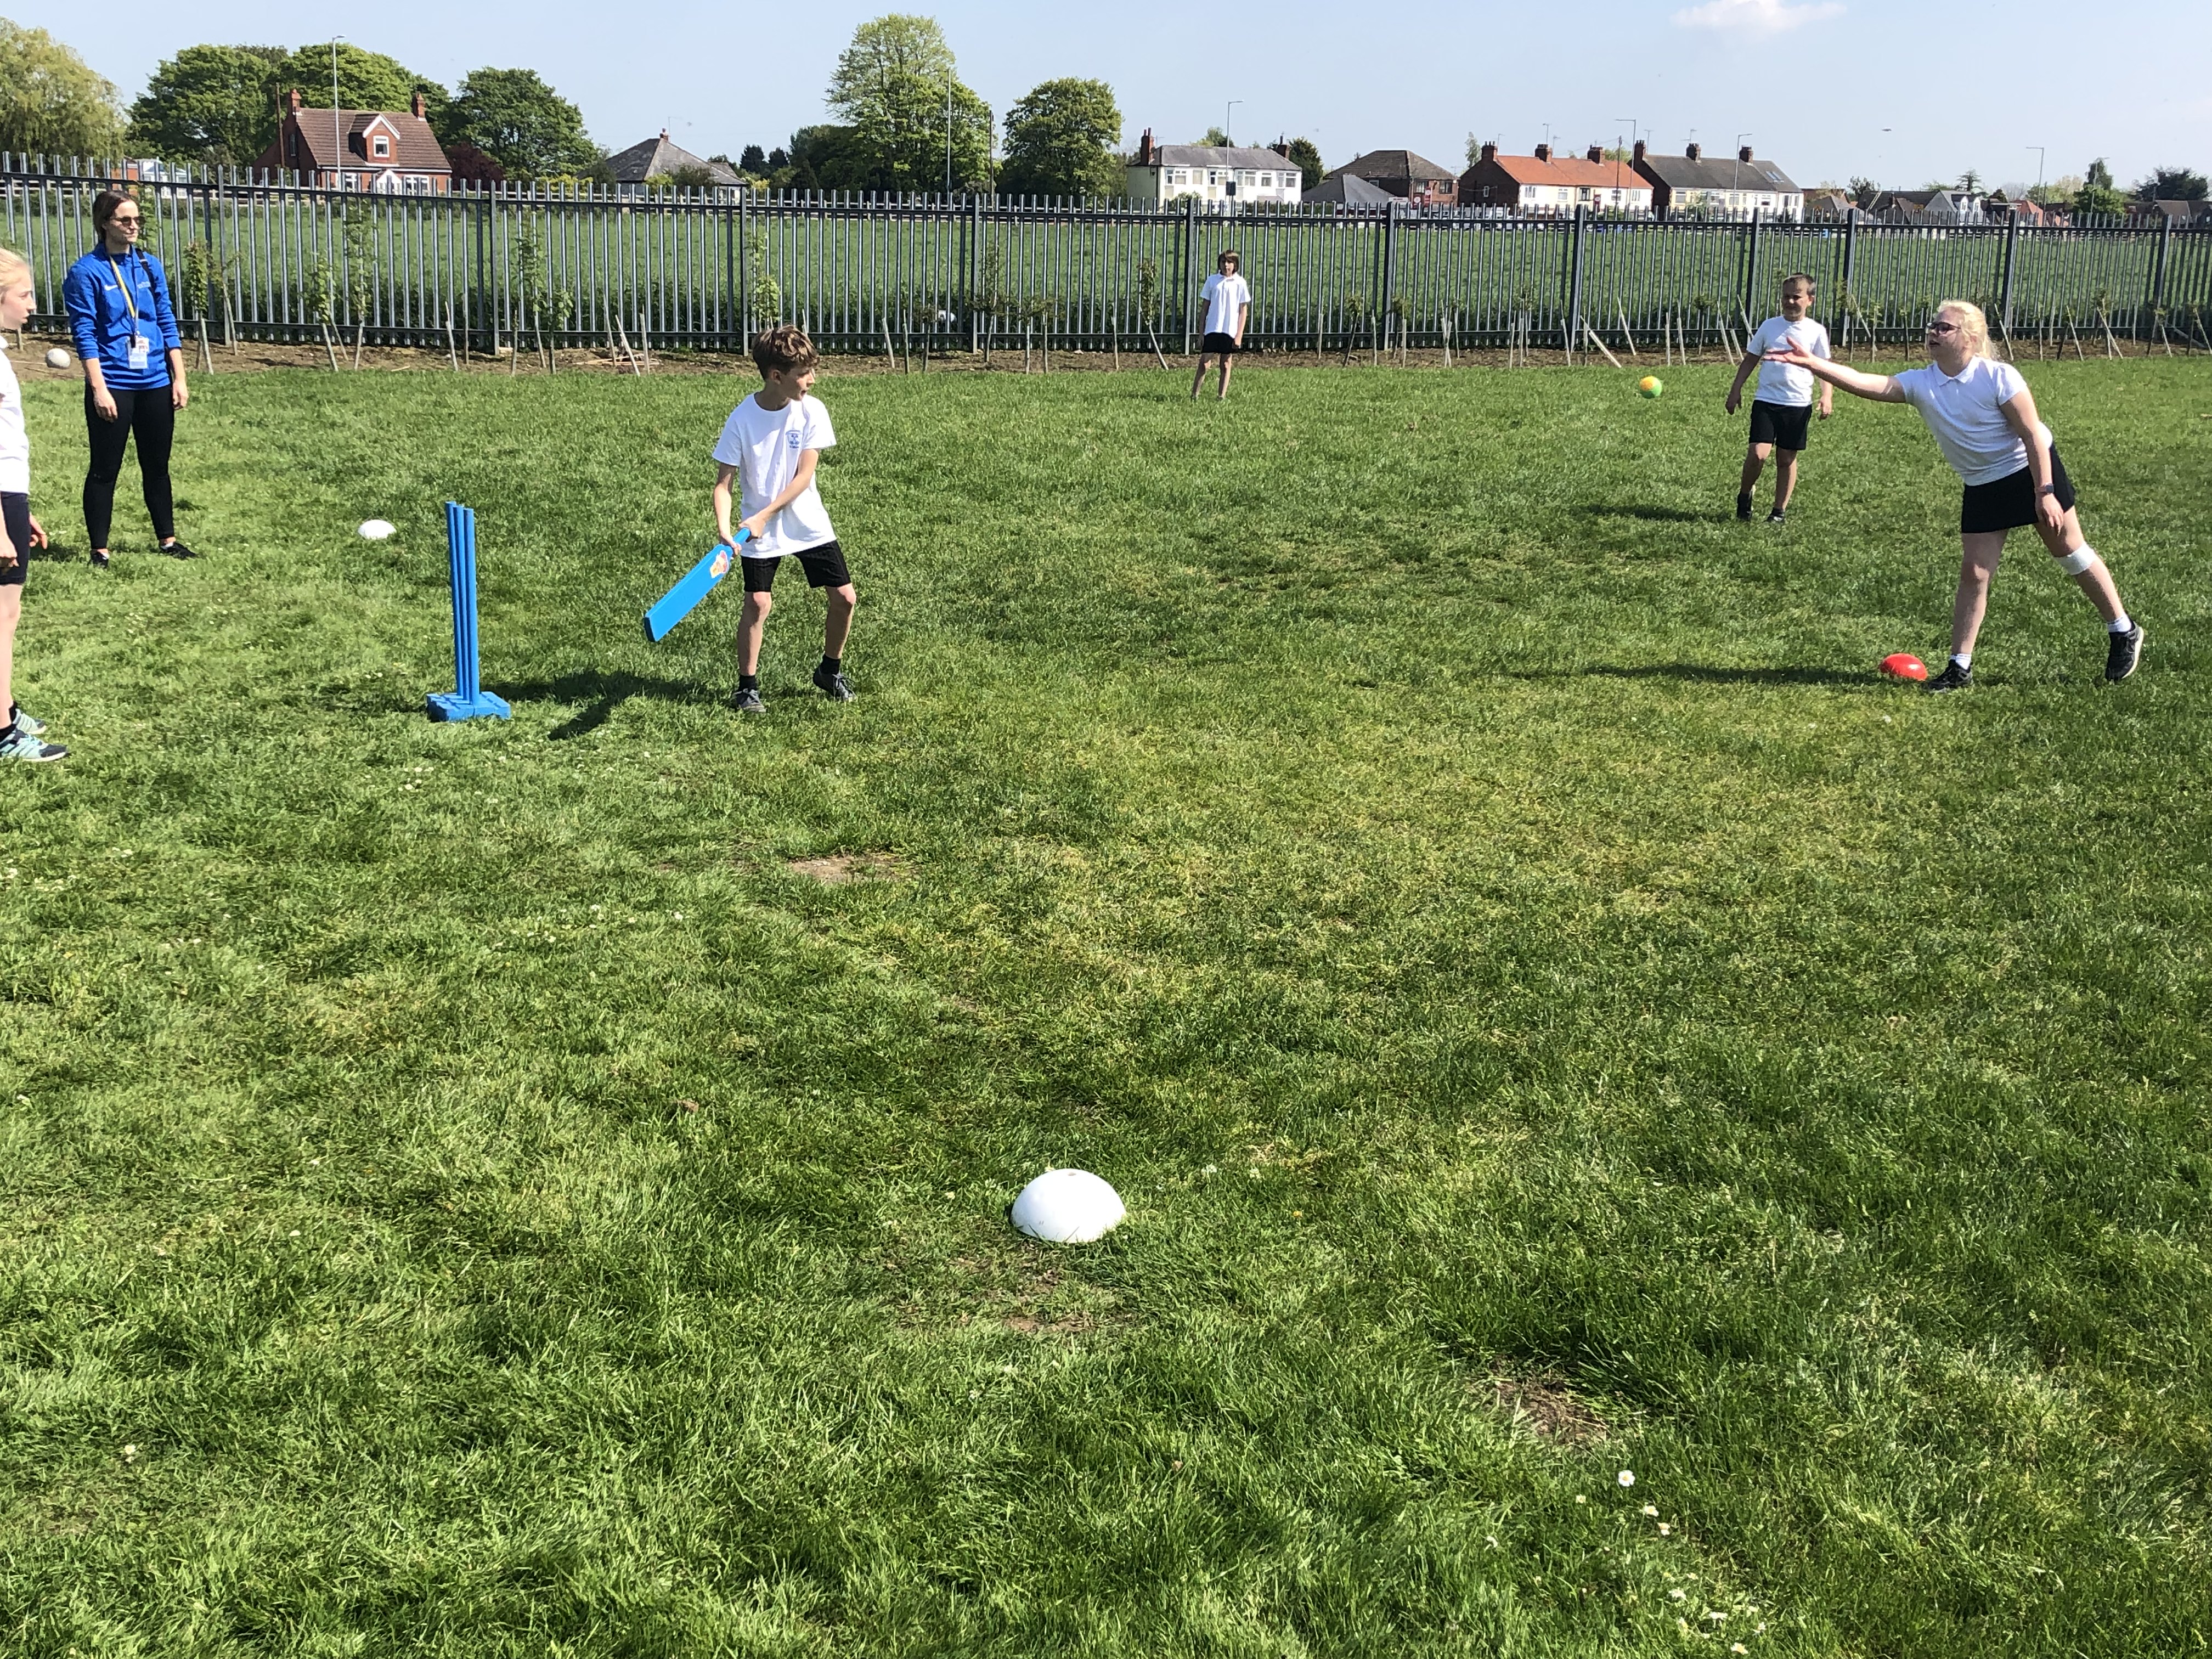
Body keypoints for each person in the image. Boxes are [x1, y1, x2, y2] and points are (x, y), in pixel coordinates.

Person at [1768, 299, 2143, 690]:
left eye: (1944, 328)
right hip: (1982, 482)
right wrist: (1814, 364)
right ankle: (1959, 667)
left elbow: (2032, 434)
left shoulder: (1998, 377)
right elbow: (1870, 383)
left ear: (1971, 338)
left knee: (2069, 552)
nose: (1934, 332)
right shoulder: (1922, 383)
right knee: (1975, 572)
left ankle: (2123, 630)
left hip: (2029, 470)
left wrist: (2045, 491)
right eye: (1933, 326)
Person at [711, 324, 855, 713]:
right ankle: (747, 689)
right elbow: (723, 485)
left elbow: (803, 477)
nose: (812, 379)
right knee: (758, 603)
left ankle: (830, 671)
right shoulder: (741, 419)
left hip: (806, 520)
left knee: (845, 598)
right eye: (804, 373)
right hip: (758, 528)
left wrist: (764, 515)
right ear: (776, 376)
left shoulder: (812, 410)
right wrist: (725, 530)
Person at [63, 189, 195, 570]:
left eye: (137, 219)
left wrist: (179, 377)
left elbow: (166, 321)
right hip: (114, 383)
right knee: (105, 468)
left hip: (155, 380)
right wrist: (99, 389)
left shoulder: (150, 266)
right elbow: (85, 333)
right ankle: (100, 550)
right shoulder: (86, 271)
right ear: (105, 223)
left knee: (158, 466)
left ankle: (168, 540)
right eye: (125, 220)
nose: (133, 226)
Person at [0, 249, 64, 761]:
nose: (32, 305)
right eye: (24, 294)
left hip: (8, 494)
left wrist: (19, 511)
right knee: (1, 615)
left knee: (9, 612)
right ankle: (2, 732)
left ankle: (5, 706)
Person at [1724, 273, 1832, 524]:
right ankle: (1745, 495)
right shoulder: (1769, 326)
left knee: (1786, 459)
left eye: (1796, 297)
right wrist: (1735, 390)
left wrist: (1827, 395)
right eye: (1786, 297)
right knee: (1758, 454)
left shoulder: (1816, 331)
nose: (1790, 302)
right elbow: (1750, 359)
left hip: (1797, 404)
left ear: (1810, 300)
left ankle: (1778, 512)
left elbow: (1824, 367)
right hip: (1766, 401)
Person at [1191, 249, 1250, 400]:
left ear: (1235, 265)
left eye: (1230, 262)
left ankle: (1221, 396)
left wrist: (1239, 335)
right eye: (1223, 262)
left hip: (1230, 330)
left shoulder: (1240, 283)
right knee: (1204, 363)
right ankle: (1194, 395)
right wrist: (1201, 333)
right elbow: (1204, 309)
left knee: (1225, 364)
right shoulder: (1212, 281)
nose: (1226, 265)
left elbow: (1243, 311)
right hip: (1213, 328)